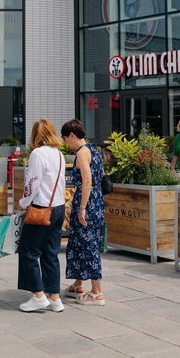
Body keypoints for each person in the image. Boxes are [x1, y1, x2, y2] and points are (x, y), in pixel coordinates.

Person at [17, 119, 66, 313]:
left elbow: (32, 183)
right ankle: (54, 298)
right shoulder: (60, 154)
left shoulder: (38, 154)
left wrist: (23, 203)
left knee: (28, 251)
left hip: (41, 208)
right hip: (59, 207)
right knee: (50, 254)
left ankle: (38, 295)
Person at [61, 119, 105, 305]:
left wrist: (82, 209)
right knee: (79, 242)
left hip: (87, 202)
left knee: (88, 245)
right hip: (97, 200)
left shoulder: (81, 153)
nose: (65, 143)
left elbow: (86, 182)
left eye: (65, 139)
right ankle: (78, 284)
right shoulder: (94, 149)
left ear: (72, 135)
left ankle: (97, 292)